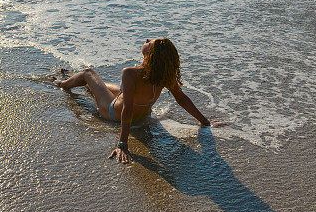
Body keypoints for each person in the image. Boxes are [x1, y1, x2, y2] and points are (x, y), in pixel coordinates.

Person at [51, 37, 211, 164]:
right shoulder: (163, 75)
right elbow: (182, 99)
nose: (147, 40)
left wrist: (122, 144)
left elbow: (127, 108)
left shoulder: (130, 73)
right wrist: (205, 122)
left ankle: (62, 83)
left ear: (151, 54)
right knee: (107, 87)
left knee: (88, 73)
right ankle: (81, 82)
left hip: (112, 112)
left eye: (150, 43)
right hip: (141, 115)